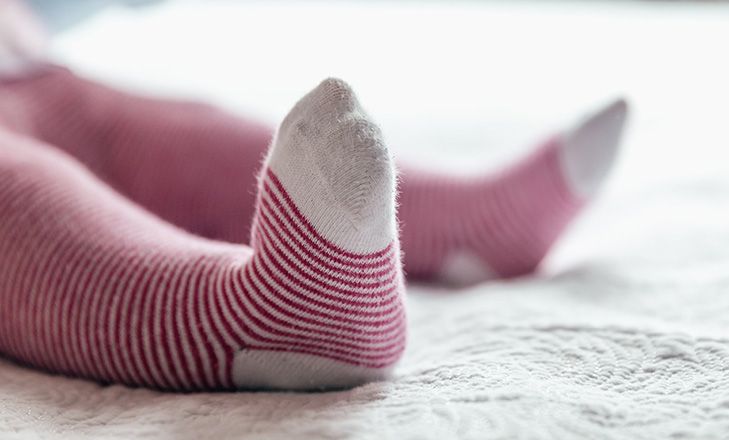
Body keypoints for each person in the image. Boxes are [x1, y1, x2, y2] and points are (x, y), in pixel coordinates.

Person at [0, 1, 628, 390]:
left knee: (188, 134)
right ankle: (255, 319)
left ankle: (475, 225)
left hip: (33, 70)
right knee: (22, 197)